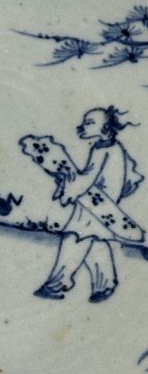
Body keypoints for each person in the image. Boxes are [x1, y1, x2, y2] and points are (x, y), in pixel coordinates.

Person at [34, 106, 144, 303]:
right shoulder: (106, 147)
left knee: (75, 239)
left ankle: (56, 284)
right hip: (95, 203)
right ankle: (105, 284)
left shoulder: (105, 149)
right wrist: (68, 184)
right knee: (94, 242)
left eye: (90, 123)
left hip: (97, 204)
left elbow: (88, 178)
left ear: (106, 128)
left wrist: (70, 191)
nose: (83, 126)